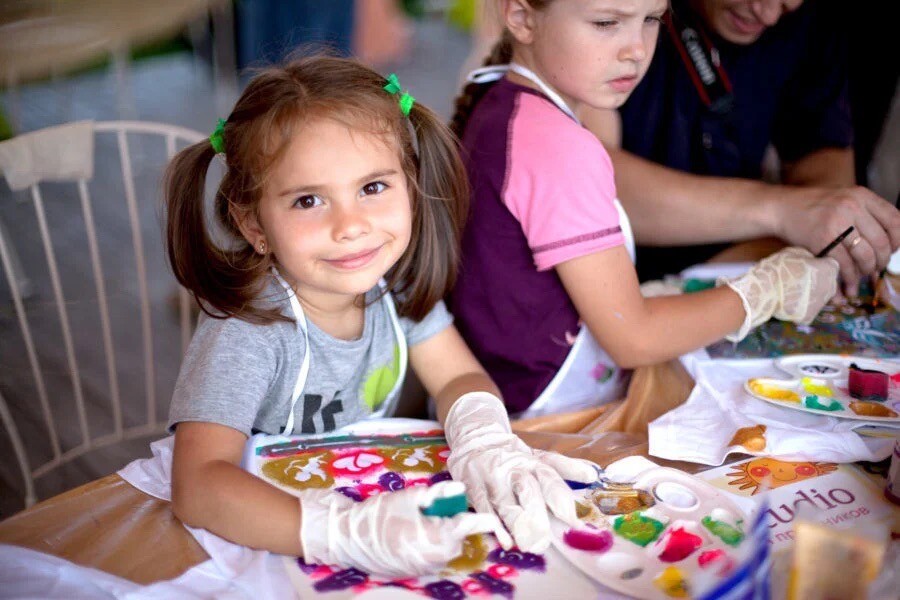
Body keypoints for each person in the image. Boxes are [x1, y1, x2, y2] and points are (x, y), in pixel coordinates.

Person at [163, 55, 597, 574]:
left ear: (410, 187)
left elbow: (458, 373)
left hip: (365, 513)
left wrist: (482, 435)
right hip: (259, 542)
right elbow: (198, 486)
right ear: (253, 223)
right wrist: (341, 532)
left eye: (372, 188)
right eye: (307, 200)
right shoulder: (248, 332)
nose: (351, 226)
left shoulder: (392, 287)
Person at [449, 0, 840, 416]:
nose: (635, 49)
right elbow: (633, 337)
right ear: (522, 17)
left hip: (518, 388)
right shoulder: (559, 146)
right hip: (549, 421)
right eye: (606, 23)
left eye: (651, 20)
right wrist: (767, 290)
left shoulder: (505, 105)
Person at [580, 0, 900, 284]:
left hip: (729, 268)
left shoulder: (811, 25)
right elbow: (589, 187)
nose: (770, 14)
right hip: (613, 276)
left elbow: (825, 178)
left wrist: (819, 222)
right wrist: (782, 212)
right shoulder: (617, 18)